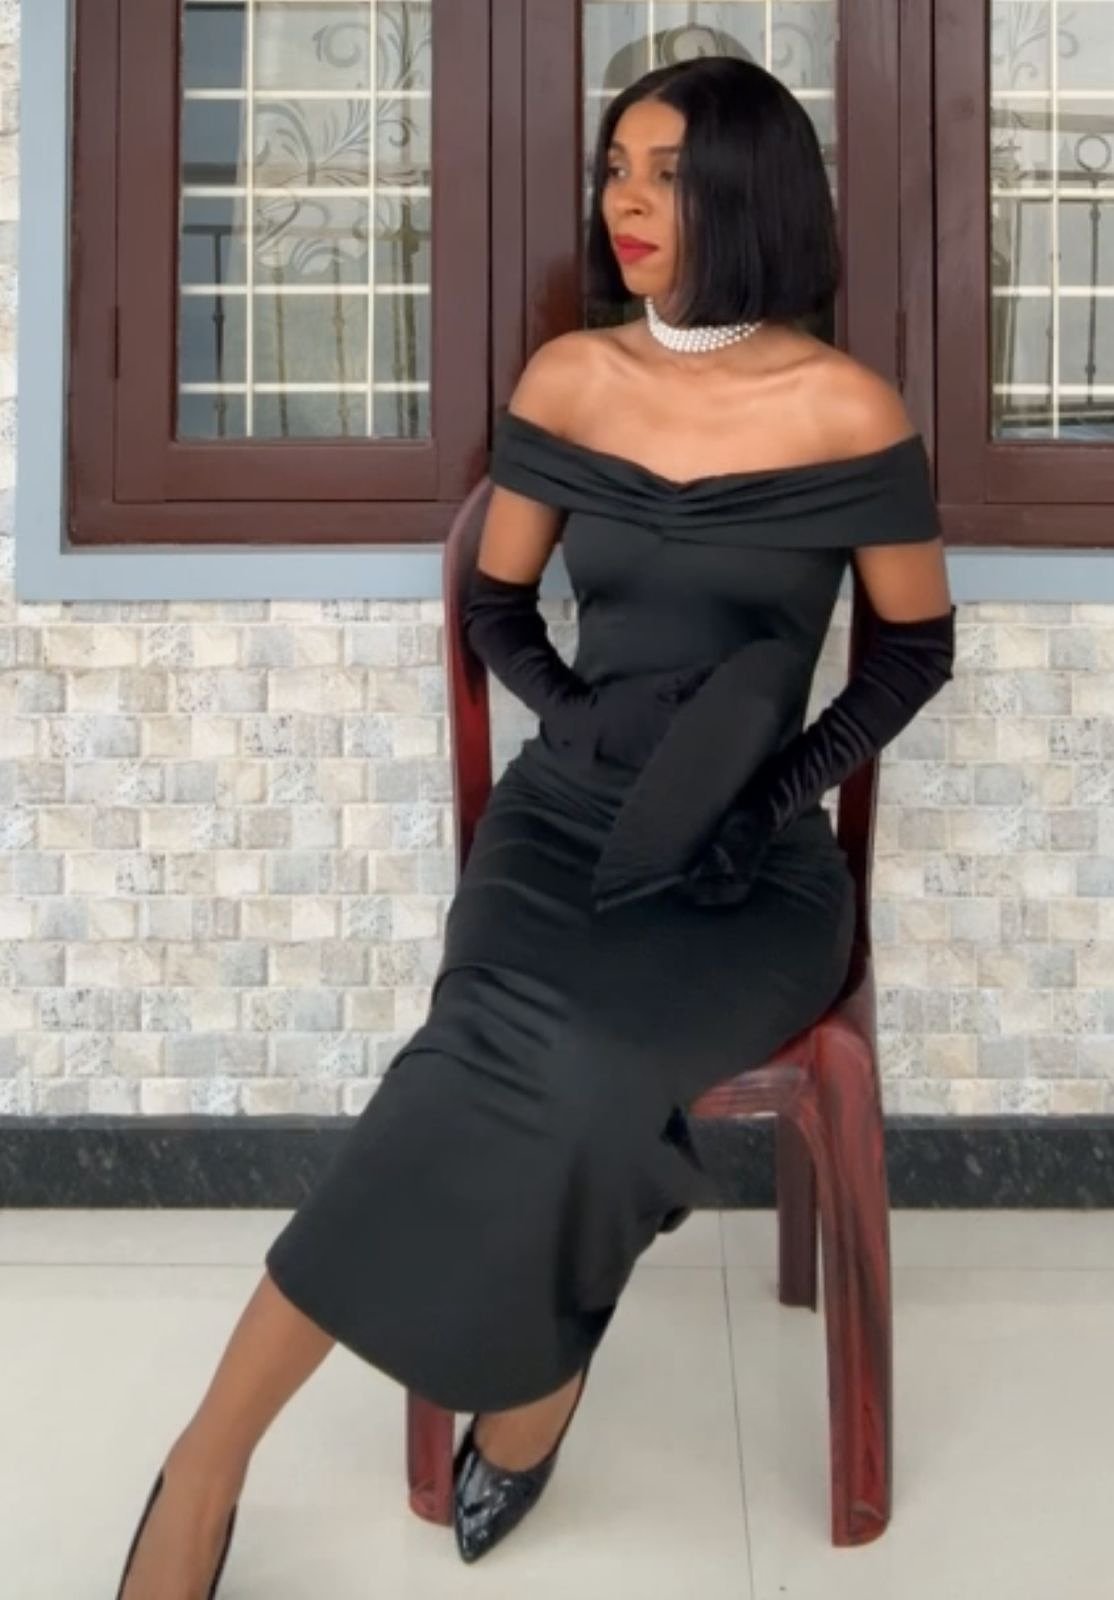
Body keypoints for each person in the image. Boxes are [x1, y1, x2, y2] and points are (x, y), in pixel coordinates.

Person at [115, 54, 954, 1598]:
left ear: (748, 194)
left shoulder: (845, 410)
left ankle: (539, 1375)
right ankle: (207, 1462)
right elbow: (497, 605)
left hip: (747, 871)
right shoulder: (570, 379)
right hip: (562, 829)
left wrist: (776, 793)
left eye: (664, 175)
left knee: (588, 1061)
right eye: (614, 169)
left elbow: (912, 651)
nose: (625, 202)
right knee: (485, 1045)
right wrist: (573, 723)